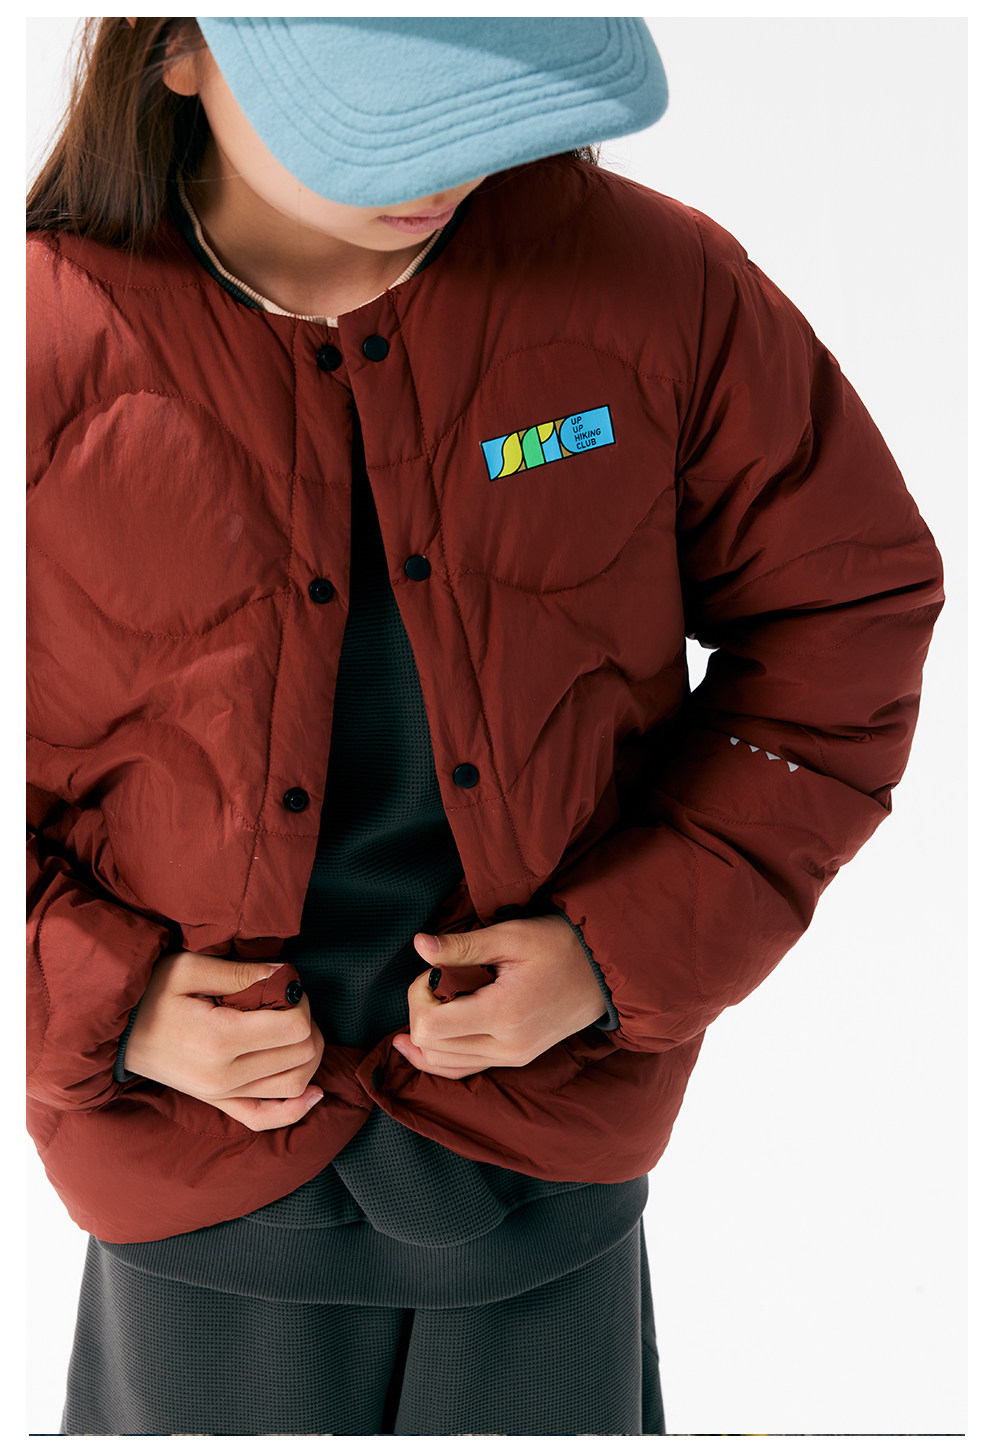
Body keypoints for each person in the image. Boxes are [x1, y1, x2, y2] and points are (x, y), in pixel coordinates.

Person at [26, 17, 944, 1438]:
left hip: (542, 1169)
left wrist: (614, 953)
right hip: (192, 1198)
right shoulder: (42, 341)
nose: (437, 167)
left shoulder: (655, 290)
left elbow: (847, 618)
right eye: (376, 117)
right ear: (179, 50)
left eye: (474, 104)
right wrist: (105, 1003)